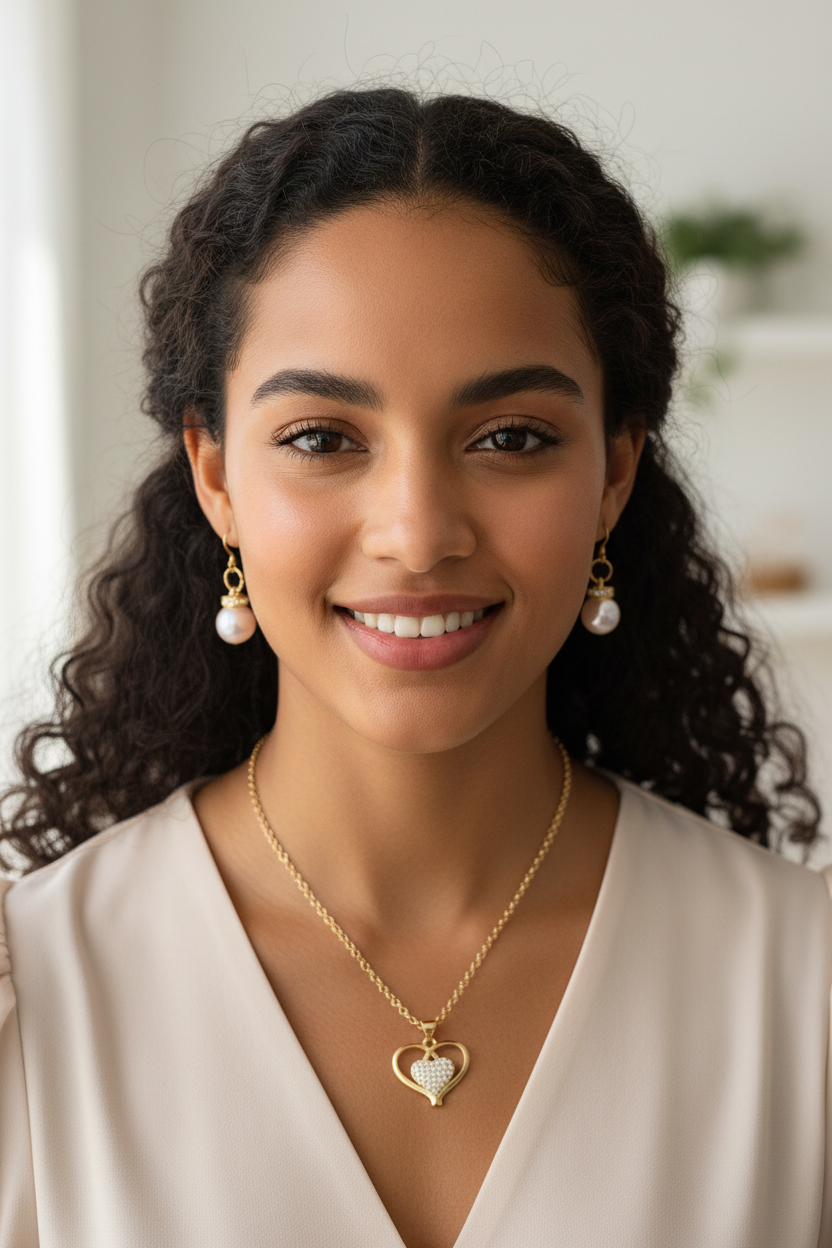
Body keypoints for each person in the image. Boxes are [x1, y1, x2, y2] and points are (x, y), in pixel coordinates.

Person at [0, 86, 829, 1248]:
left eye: (510, 439)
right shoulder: (33, 1001)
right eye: (322, 440)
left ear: (613, 472)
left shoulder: (803, 989)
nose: (418, 529)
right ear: (215, 476)